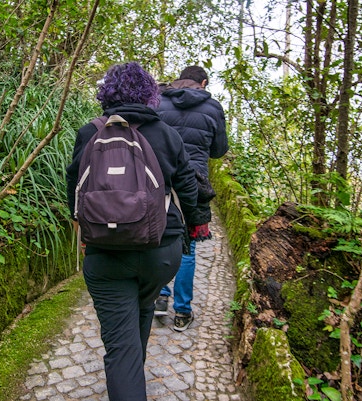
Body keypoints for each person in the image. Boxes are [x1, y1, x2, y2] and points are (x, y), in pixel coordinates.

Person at [66, 62, 198, 401]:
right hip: (160, 252)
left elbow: (74, 190)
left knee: (120, 344)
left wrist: (83, 233)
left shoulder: (90, 132)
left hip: (106, 257)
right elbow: (187, 185)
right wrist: (195, 225)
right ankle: (131, 377)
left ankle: (128, 377)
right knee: (142, 305)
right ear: (150, 94)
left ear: (106, 93)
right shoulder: (167, 134)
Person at [153, 65, 229, 331]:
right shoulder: (213, 107)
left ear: (179, 79)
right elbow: (219, 151)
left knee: (159, 236)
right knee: (188, 245)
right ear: (204, 82)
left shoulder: (159, 100)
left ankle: (160, 296)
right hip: (194, 183)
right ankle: (182, 311)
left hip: (159, 178)